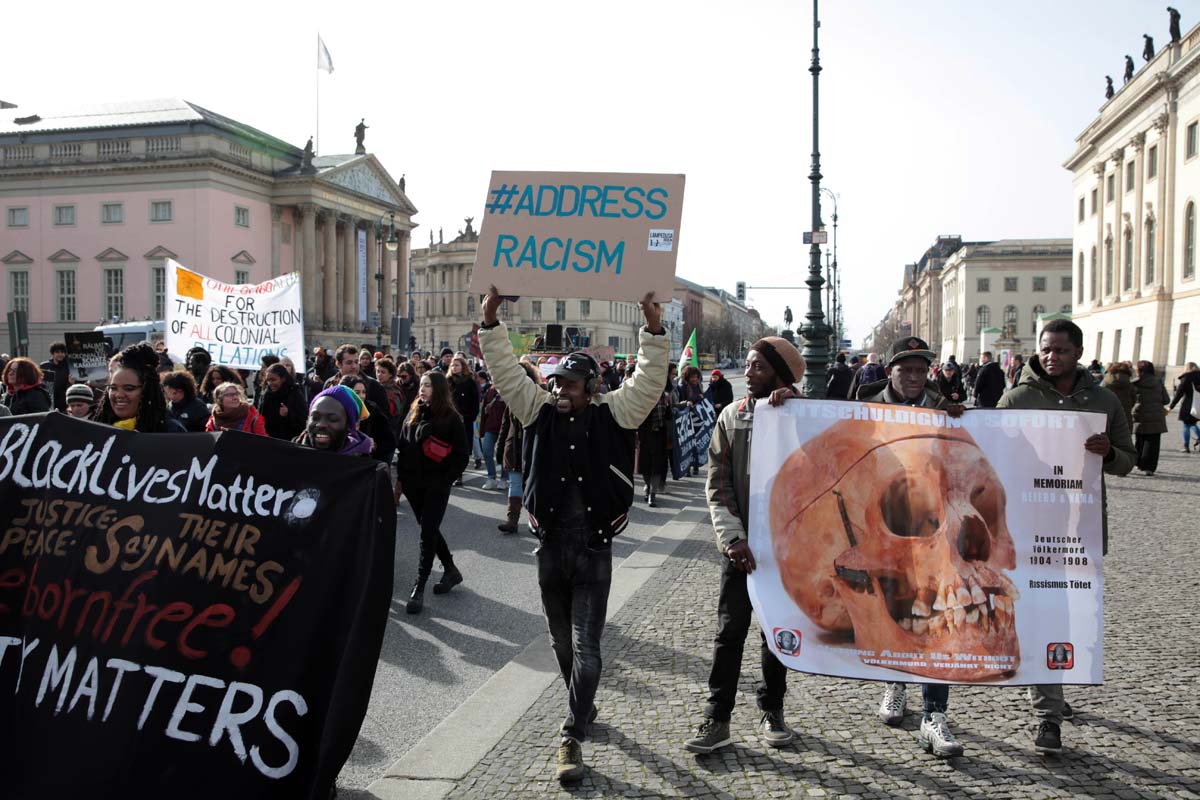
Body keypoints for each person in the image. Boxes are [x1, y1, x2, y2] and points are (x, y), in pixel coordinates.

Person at [478, 286, 667, 784]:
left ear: (591, 386)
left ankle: (572, 735)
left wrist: (652, 329)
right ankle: (584, 707)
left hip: (594, 549)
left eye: (570, 385)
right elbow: (502, 370)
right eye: (557, 384)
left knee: (587, 648)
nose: (561, 392)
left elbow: (648, 380)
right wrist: (491, 321)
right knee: (561, 642)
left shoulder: (616, 413)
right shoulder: (535, 410)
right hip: (550, 548)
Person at [997, 319, 1134, 755]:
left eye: (1059, 349)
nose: (1050, 356)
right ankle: (1048, 717)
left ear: (1077, 352)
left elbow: (1127, 461)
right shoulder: (1017, 398)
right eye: (1044, 349)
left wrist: (1109, 452)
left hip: (1079, 532)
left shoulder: (1104, 400)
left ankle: (1050, 690)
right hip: (1029, 528)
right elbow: (991, 448)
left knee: (1063, 619)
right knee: (1042, 618)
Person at [686, 335, 806, 755]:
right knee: (728, 633)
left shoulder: (801, 414)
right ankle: (717, 718)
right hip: (740, 550)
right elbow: (718, 486)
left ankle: (772, 711)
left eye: (759, 367)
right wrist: (733, 538)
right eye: (750, 365)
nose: (750, 373)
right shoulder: (730, 416)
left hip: (785, 553)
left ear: (781, 374)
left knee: (776, 635)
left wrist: (797, 407)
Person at [855, 337, 966, 758]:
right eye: (907, 370)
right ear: (891, 371)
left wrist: (957, 420)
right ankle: (895, 684)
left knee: (935, 618)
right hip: (884, 527)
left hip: (932, 530)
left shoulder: (942, 409)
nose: (915, 377)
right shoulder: (865, 407)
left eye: (922, 370)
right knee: (897, 611)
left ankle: (934, 714)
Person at [394, 371, 469, 615]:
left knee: (427, 533)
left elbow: (461, 456)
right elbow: (403, 443)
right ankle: (450, 569)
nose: (423, 389)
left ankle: (419, 586)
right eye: (422, 385)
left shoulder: (451, 417)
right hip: (413, 484)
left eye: (428, 385)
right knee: (429, 528)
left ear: (438, 389)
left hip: (436, 485)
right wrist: (403, 477)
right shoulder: (414, 411)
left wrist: (445, 479)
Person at [95, 343, 185, 432]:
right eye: (113, 388)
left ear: (146, 391)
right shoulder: (96, 428)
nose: (119, 395)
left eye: (129, 388)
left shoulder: (171, 431)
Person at [496, 361, 541, 533]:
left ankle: (538, 522)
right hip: (514, 447)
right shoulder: (511, 399)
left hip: (533, 448)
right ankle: (512, 521)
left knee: (534, 486)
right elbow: (505, 426)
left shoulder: (539, 395)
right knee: (514, 484)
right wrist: (500, 449)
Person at [296, 384, 374, 456]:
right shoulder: (291, 456)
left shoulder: (365, 466)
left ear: (348, 426)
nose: (321, 424)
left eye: (332, 419)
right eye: (315, 418)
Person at [341, 374, 396, 465]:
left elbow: (389, 441)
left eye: (364, 392)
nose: (361, 396)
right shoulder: (337, 410)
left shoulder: (372, 410)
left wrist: (374, 445)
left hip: (365, 466)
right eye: (357, 392)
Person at [638, 374, 674, 506]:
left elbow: (669, 416)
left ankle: (652, 494)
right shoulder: (643, 397)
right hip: (645, 435)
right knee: (645, 465)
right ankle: (648, 487)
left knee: (657, 465)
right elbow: (638, 416)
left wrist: (670, 405)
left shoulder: (665, 397)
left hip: (659, 435)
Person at [1131, 360, 1170, 475]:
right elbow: (1166, 400)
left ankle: (1138, 463)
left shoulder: (1135, 383)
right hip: (1156, 416)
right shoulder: (1158, 382)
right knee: (1153, 442)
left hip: (1140, 414)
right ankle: (1149, 468)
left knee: (1140, 440)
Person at [447, 355, 480, 486]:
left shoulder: (470, 382)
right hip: (450, 420)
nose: (454, 368)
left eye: (457, 365)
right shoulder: (447, 381)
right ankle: (454, 474)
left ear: (463, 367)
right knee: (450, 448)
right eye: (452, 365)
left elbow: (475, 402)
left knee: (463, 448)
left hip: (465, 421)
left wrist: (468, 417)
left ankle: (459, 473)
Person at [257, 363, 308, 440]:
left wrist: (288, 415)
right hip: (268, 441)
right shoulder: (266, 395)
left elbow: (303, 422)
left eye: (273, 380)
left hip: (289, 442)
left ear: (283, 379)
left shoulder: (294, 394)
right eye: (268, 380)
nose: (270, 383)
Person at [478, 373, 507, 489]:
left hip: (505, 429)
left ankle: (504, 479)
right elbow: (484, 412)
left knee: (504, 454)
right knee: (487, 451)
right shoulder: (490, 391)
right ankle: (491, 477)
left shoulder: (509, 391)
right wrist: (482, 431)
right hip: (490, 427)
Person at [679, 365, 707, 476]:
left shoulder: (698, 385)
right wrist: (698, 398)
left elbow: (702, 397)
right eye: (692, 377)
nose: (694, 379)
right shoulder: (683, 387)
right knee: (688, 443)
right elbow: (683, 401)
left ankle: (695, 466)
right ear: (687, 377)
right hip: (686, 418)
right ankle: (687, 467)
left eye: (696, 377)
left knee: (696, 443)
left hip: (697, 418)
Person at [1168, 362, 1200, 452]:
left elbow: (1179, 394)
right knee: (1192, 424)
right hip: (1198, 405)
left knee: (1186, 425)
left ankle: (1186, 446)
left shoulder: (1186, 378)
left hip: (1188, 405)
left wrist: (1171, 406)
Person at [1102, 361, 1136, 428]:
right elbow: (1133, 401)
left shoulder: (1105, 382)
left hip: (1106, 418)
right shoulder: (1130, 385)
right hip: (1125, 418)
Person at [40, 341, 70, 412]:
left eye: (62, 352)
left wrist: (70, 382)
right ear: (52, 353)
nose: (60, 354)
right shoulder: (44, 366)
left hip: (64, 402)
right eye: (57, 352)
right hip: (49, 400)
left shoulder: (69, 366)